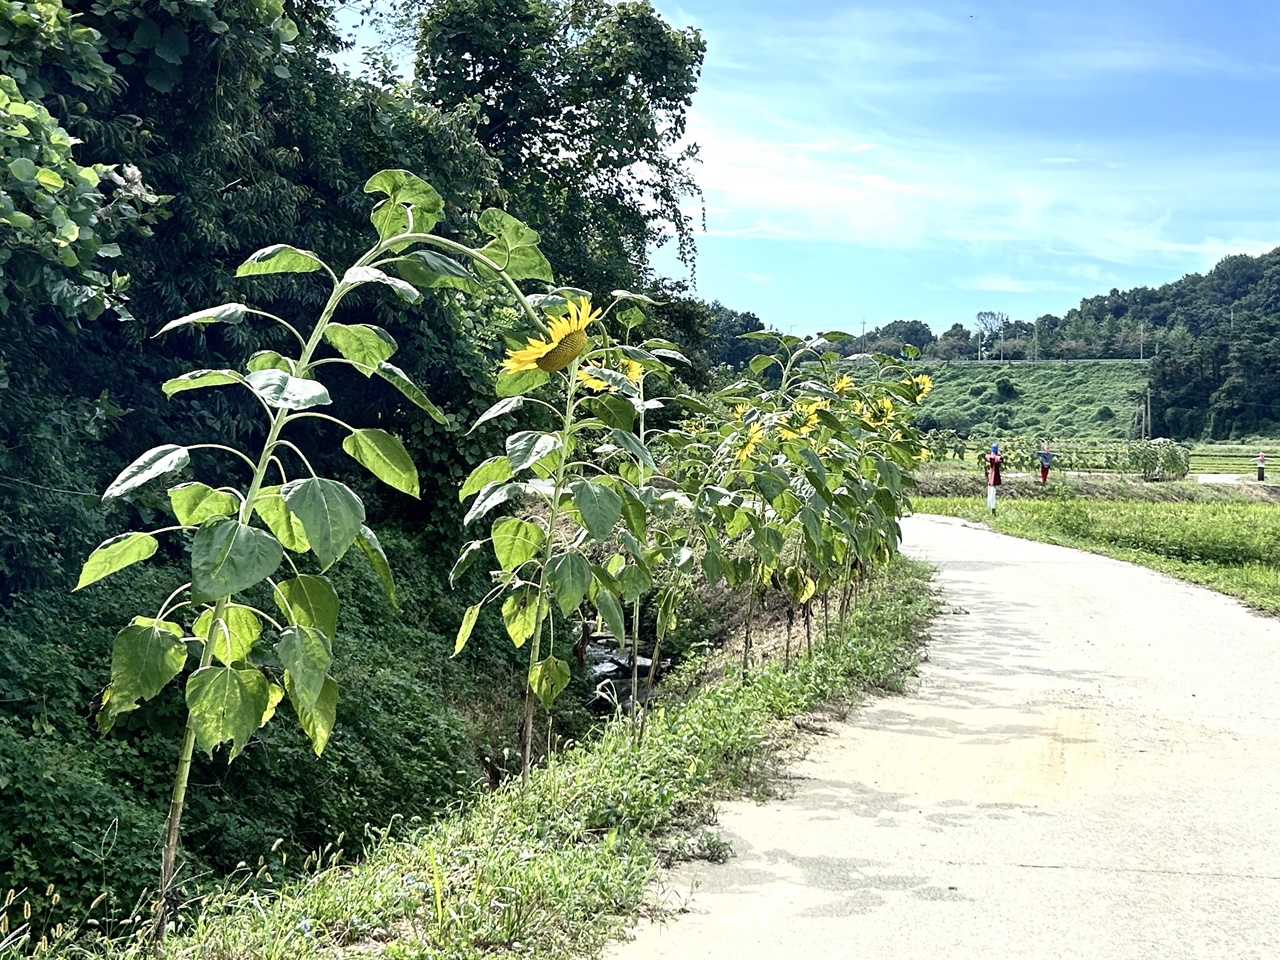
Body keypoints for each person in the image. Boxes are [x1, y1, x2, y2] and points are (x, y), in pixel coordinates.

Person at [984, 443, 1003, 515]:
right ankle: (992, 508)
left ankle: (990, 507)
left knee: (991, 491)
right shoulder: (995, 457)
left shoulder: (990, 456)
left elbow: (988, 457)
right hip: (993, 476)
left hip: (991, 476)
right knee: (992, 492)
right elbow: (998, 459)